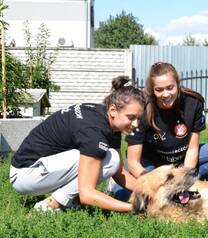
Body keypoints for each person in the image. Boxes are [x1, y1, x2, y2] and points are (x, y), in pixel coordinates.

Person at [9, 77, 145, 212]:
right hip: (26, 175)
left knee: (112, 159)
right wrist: (134, 208)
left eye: (139, 118)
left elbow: (119, 172)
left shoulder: (106, 119)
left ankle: (64, 201)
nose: (136, 124)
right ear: (113, 110)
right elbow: (87, 194)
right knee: (110, 158)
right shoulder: (94, 132)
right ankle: (51, 204)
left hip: (37, 170)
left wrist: (148, 192)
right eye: (131, 117)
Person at [109, 62, 208, 200]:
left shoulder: (194, 102)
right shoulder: (142, 108)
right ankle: (115, 184)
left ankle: (185, 187)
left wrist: (183, 180)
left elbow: (192, 149)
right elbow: (133, 162)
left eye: (170, 88)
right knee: (123, 195)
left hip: (181, 162)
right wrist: (157, 183)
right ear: (152, 89)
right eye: (159, 90)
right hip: (150, 165)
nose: (166, 94)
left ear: (177, 84)